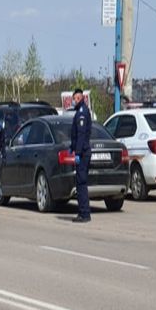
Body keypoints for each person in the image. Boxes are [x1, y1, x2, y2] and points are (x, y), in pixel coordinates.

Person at [70, 88, 92, 223]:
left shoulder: (82, 113)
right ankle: (83, 211)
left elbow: (81, 135)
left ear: (82, 98)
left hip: (83, 153)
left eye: (77, 99)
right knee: (80, 183)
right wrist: (71, 148)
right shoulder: (79, 112)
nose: (75, 101)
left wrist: (77, 153)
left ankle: (84, 213)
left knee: (81, 183)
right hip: (82, 152)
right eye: (74, 99)